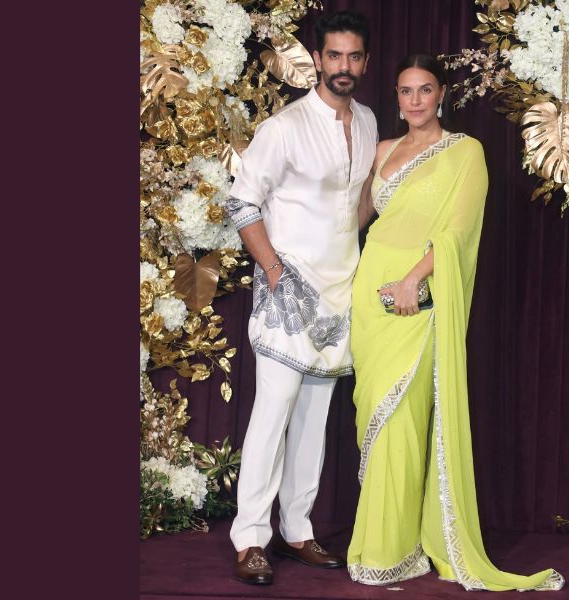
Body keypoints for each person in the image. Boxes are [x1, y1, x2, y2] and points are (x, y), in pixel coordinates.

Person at [346, 54, 565, 592]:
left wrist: (412, 281)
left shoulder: (465, 152)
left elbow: (458, 232)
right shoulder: (382, 151)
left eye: (425, 90)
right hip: (369, 294)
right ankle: (388, 544)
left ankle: (390, 550)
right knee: (373, 414)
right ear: (396, 97)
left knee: (401, 418)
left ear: (441, 93)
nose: (415, 100)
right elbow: (356, 220)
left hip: (415, 298)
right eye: (405, 91)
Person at [224, 10, 378, 586]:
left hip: (341, 291)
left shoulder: (368, 121)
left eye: (353, 56)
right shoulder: (285, 127)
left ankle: (297, 529)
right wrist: (272, 269)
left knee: (314, 419)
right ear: (317, 59)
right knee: (273, 413)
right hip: (287, 291)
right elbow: (242, 203)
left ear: (364, 62)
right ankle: (250, 538)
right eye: (334, 55)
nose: (343, 66)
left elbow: (357, 202)